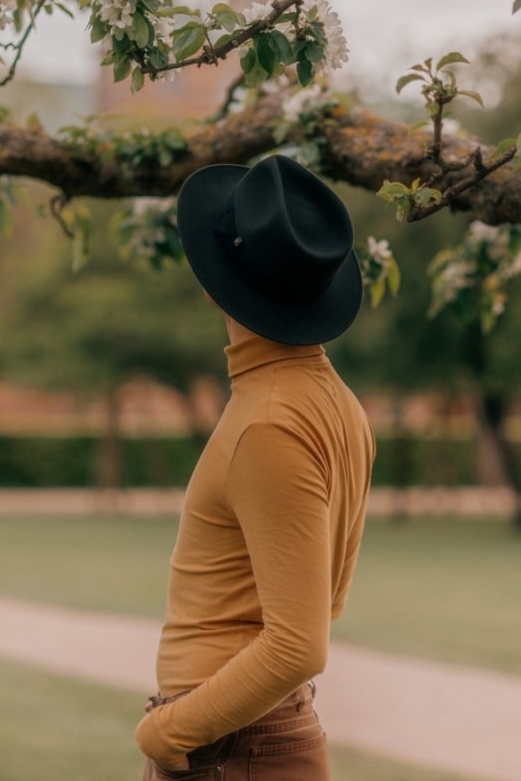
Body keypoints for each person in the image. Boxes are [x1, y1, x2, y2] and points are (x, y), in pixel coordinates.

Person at [135, 154, 375, 780]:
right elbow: (325, 601)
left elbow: (300, 643)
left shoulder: (269, 421)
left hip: (228, 746)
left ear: (218, 278)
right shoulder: (335, 402)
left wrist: (169, 730)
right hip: (243, 738)